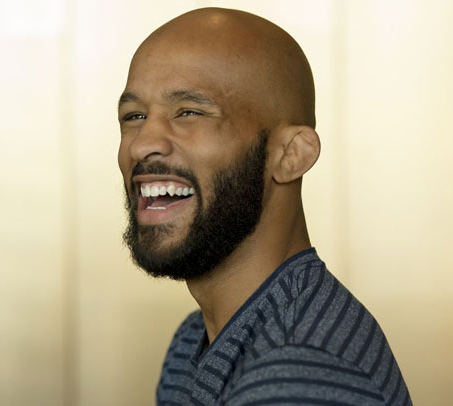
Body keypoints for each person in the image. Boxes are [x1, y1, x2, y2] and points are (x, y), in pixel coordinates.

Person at [117, 7, 412, 406]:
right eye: (134, 116)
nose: (141, 144)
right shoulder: (193, 340)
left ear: (291, 155)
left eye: (189, 112)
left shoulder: (298, 372)